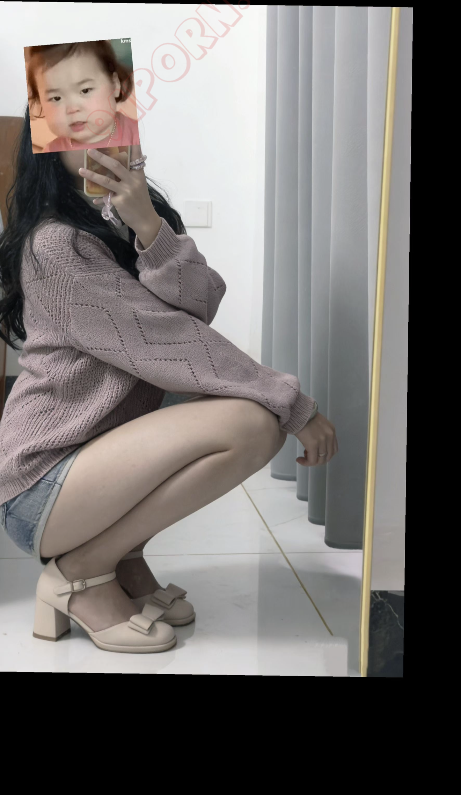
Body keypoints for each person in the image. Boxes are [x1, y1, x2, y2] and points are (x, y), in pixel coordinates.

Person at [0, 52, 338, 655]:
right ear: (47, 143)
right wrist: (293, 402)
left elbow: (201, 303)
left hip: (98, 463)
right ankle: (81, 571)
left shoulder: (124, 219)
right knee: (251, 422)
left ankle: (122, 559)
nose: (93, 127)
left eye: (104, 109)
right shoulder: (55, 244)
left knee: (247, 416)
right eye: (69, 114)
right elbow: (166, 338)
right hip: (43, 482)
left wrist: (151, 227)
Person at [27, 41, 140, 152]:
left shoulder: (140, 135)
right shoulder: (51, 152)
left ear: (115, 85)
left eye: (85, 91)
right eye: (56, 98)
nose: (72, 109)